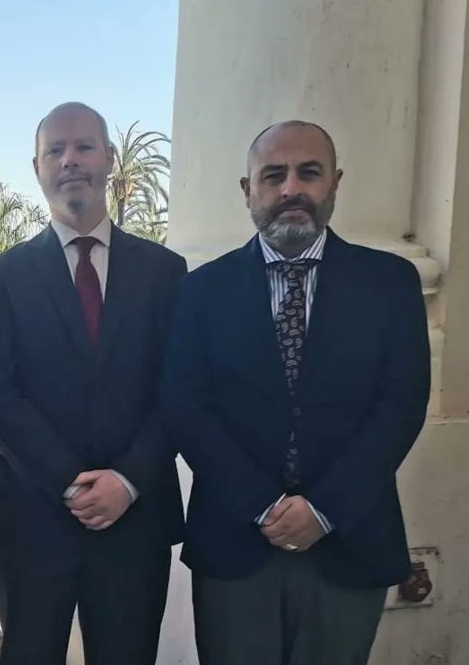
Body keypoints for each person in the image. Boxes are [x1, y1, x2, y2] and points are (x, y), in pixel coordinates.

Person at [162, 121, 430, 665]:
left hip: (350, 541)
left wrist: (326, 508)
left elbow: (400, 405)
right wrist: (262, 505)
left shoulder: (389, 284)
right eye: (274, 175)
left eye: (308, 173)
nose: (291, 189)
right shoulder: (200, 291)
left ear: (334, 183)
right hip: (236, 542)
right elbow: (188, 407)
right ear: (248, 190)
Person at [0, 102, 187, 665]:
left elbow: (181, 388)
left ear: (109, 159)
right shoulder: (6, 275)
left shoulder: (166, 273)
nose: (70, 161)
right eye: (55, 151)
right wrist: (71, 482)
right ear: (37, 167)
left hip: (134, 519)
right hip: (32, 518)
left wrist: (128, 480)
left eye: (85, 147)